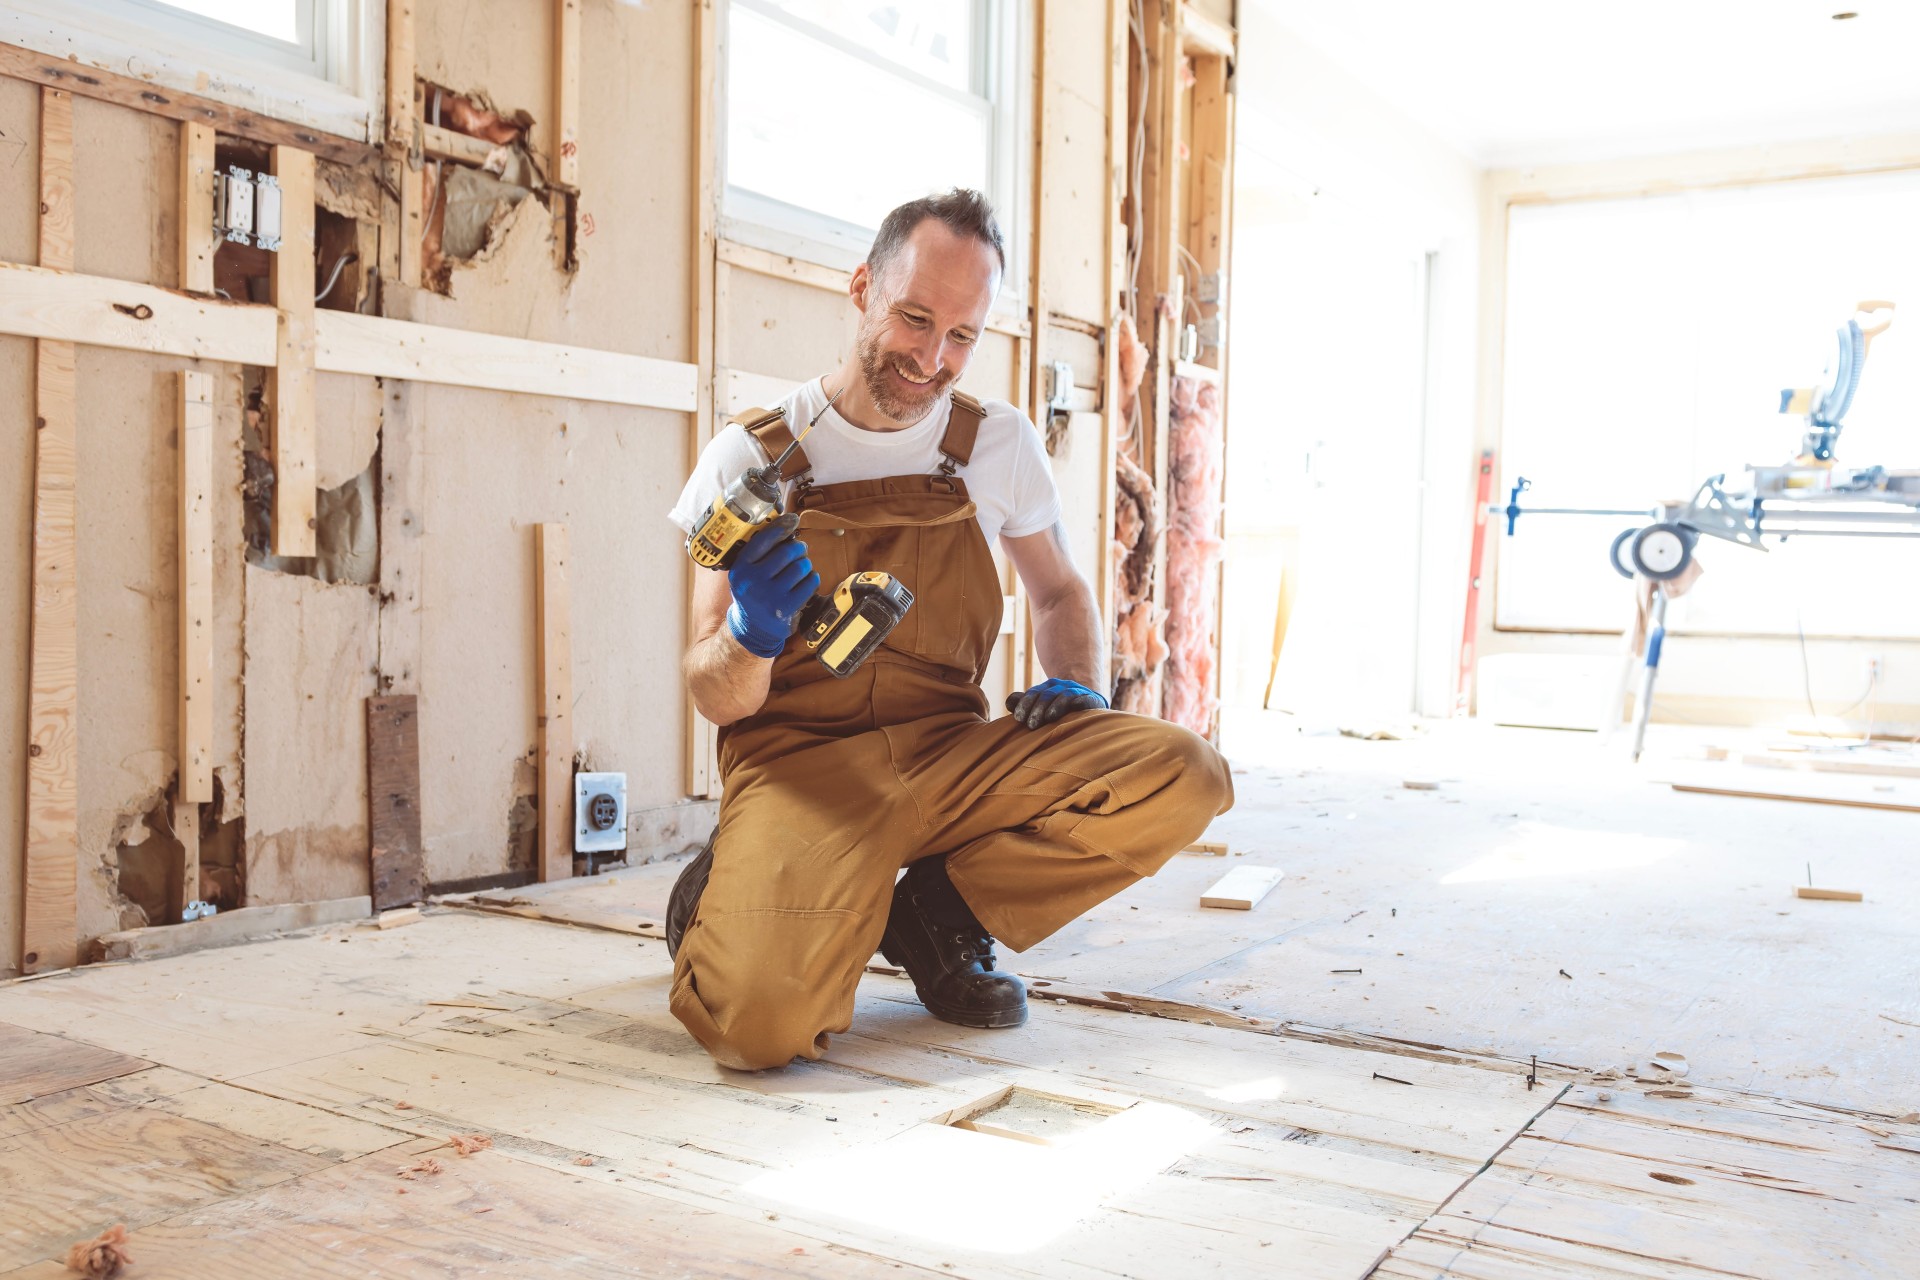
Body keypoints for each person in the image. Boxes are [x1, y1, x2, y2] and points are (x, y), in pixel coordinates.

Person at [664, 188, 1233, 1071]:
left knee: (1184, 774)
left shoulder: (996, 444)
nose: (932, 358)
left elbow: (1058, 594)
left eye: (962, 335)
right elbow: (711, 693)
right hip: (800, 772)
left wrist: (1077, 683)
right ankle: (720, 898)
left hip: (951, 754)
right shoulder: (750, 459)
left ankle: (940, 915)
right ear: (862, 288)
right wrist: (751, 632)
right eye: (914, 318)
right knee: (754, 1032)